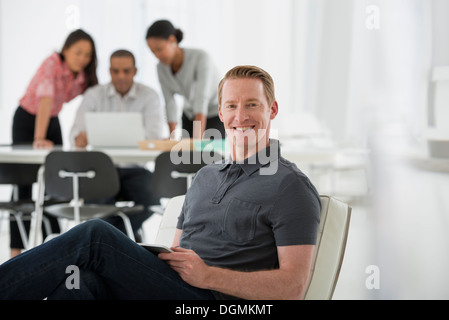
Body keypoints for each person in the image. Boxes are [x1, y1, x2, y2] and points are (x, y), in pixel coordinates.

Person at [0, 65, 321, 300]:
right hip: (173, 288)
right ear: (221, 114)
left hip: (217, 301)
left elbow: (293, 287)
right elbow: (177, 249)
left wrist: (209, 275)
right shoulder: (206, 176)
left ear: (272, 110)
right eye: (232, 106)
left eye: (252, 104)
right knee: (79, 283)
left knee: (93, 235)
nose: (241, 116)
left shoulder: (290, 186)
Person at [9, 29, 98, 258]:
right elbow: (45, 100)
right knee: (23, 186)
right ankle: (16, 251)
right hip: (29, 119)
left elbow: (91, 101)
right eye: (78, 52)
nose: (82, 58)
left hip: (52, 119)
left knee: (57, 180)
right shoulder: (52, 63)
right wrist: (39, 137)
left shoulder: (82, 76)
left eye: (87, 54)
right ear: (65, 49)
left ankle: (54, 243)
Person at [70, 49, 166, 239]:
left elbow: (153, 137)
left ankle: (110, 238)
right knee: (96, 206)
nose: (120, 76)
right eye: (115, 71)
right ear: (109, 71)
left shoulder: (149, 97)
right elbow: (75, 134)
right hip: (101, 170)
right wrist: (80, 138)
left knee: (152, 198)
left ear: (135, 71)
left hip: (135, 170)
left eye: (126, 71)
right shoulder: (94, 95)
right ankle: (123, 237)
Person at [146, 20, 225, 140]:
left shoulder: (201, 58)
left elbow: (201, 98)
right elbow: (169, 103)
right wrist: (172, 138)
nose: (157, 55)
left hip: (215, 112)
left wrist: (196, 139)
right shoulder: (161, 68)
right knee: (184, 156)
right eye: (153, 52)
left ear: (172, 40)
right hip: (190, 113)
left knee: (209, 154)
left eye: (159, 49)